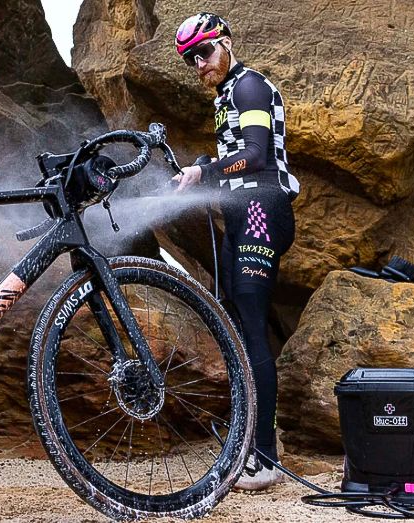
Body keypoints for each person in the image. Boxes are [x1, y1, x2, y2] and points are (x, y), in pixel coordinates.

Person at [171, 12, 299, 491]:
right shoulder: (226, 95)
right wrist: (205, 165)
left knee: (249, 326)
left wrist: (205, 173)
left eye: (204, 53)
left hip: (263, 207)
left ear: (225, 42)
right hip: (239, 213)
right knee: (235, 329)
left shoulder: (248, 86)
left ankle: (263, 458)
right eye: (190, 60)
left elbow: (257, 155)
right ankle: (250, 441)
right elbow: (234, 156)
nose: (199, 64)